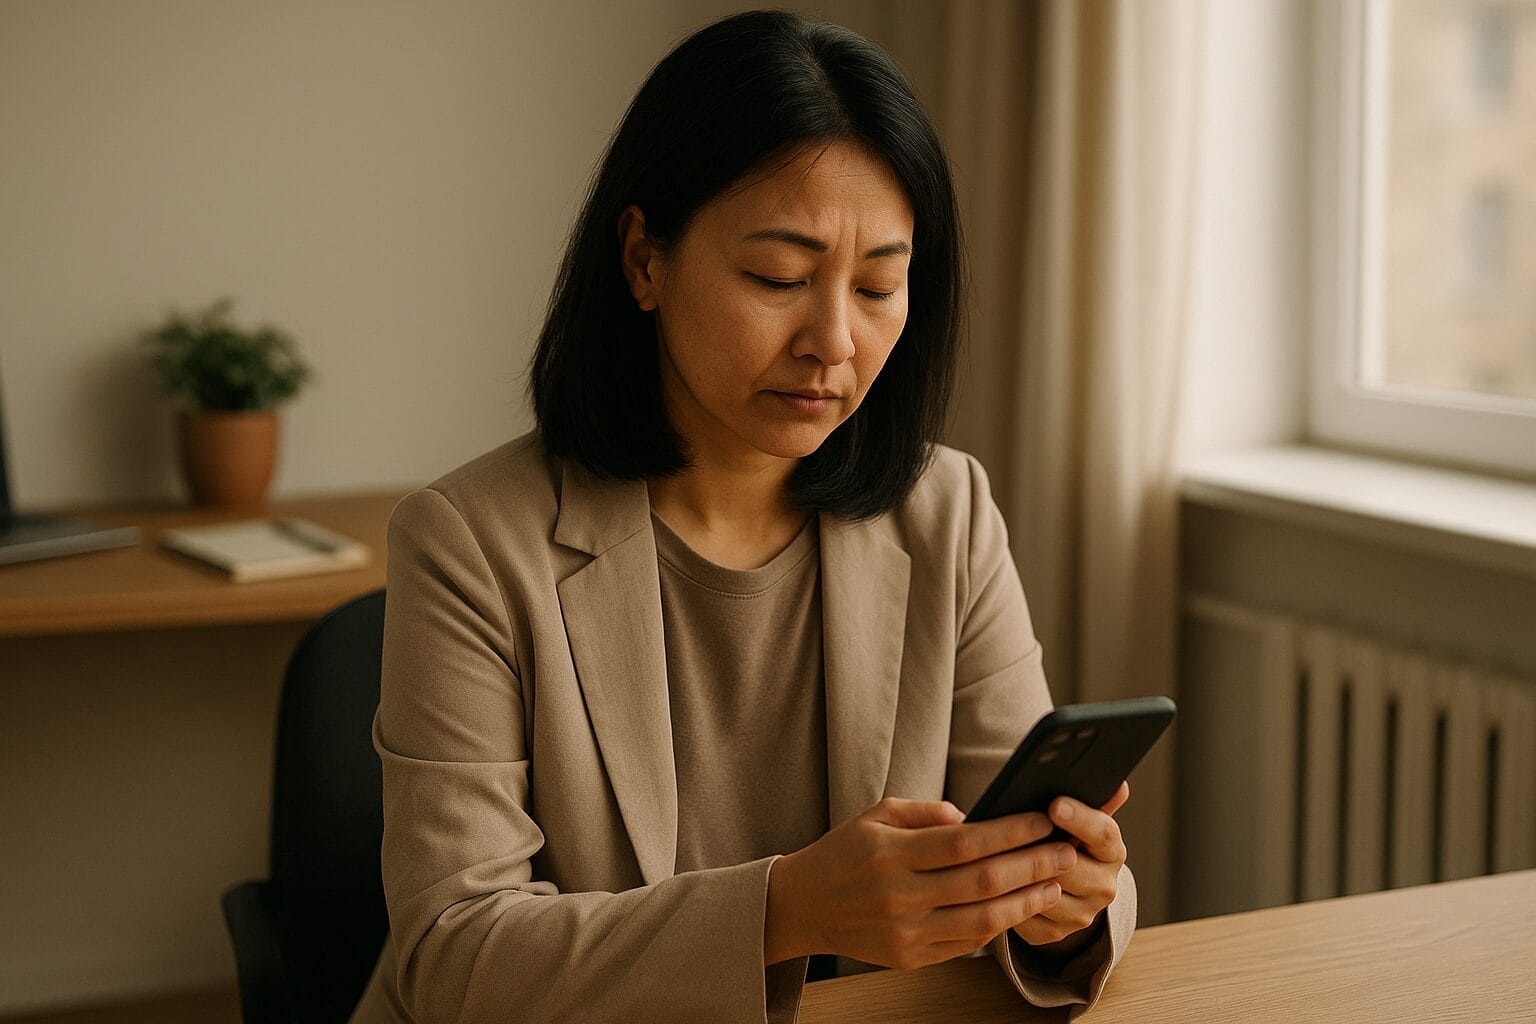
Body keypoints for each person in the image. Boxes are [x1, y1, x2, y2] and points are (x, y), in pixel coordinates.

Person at [349, 10, 1135, 1024]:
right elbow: (456, 958)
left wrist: (1065, 901)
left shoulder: (948, 513)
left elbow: (1044, 858)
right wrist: (784, 910)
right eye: (779, 278)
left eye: (879, 286)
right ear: (644, 260)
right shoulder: (469, 541)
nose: (832, 340)